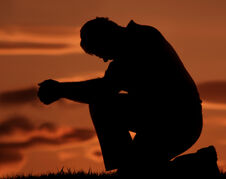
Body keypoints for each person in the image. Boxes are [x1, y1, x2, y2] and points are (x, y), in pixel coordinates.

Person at [38, 17, 203, 175]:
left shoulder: (139, 43)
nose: (103, 59)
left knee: (102, 106)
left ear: (106, 39)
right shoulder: (141, 38)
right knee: (140, 171)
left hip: (178, 122)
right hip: (165, 120)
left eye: (99, 51)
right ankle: (201, 164)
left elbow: (101, 91)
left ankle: (125, 163)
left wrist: (60, 89)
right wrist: (61, 89)